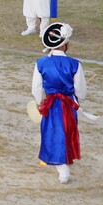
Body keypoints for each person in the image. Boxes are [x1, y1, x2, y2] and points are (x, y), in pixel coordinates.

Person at [33, 22, 85, 184]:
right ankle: (64, 167)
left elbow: (36, 86)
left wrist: (38, 101)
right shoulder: (75, 64)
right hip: (68, 104)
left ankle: (62, 169)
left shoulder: (41, 63)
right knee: (67, 132)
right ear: (65, 45)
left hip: (50, 104)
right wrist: (77, 99)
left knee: (53, 132)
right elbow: (81, 89)